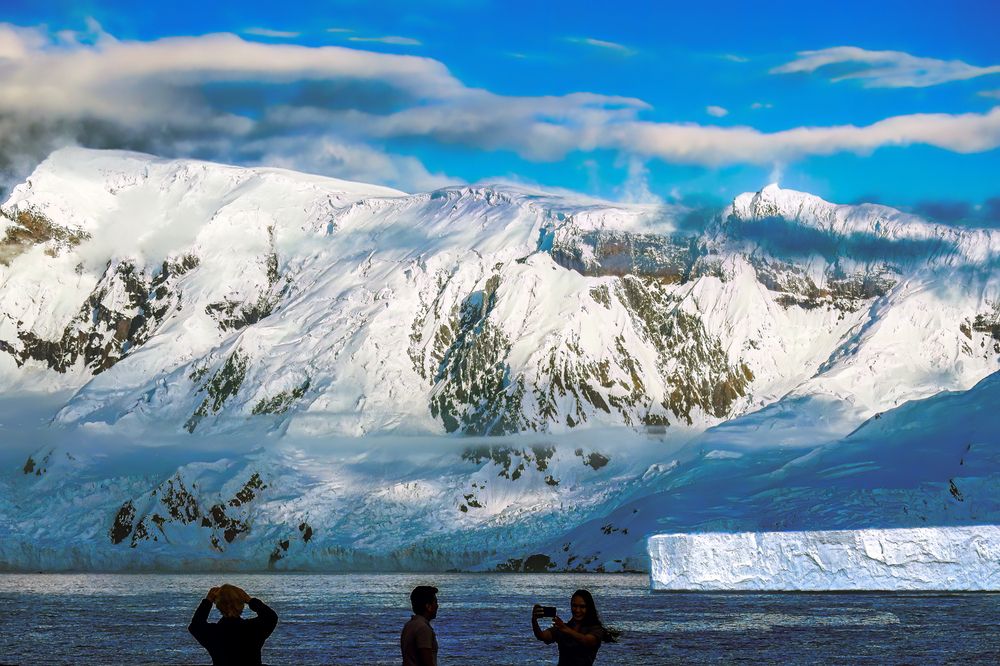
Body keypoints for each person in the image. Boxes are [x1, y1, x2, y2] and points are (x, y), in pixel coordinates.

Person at [188, 584, 278, 666]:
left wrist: (208, 600)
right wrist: (249, 600)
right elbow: (271, 617)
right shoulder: (254, 628)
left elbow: (195, 625)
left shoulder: (213, 633)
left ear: (218, 606)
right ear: (242, 605)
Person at [531, 589, 610, 666]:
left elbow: (587, 640)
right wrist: (534, 620)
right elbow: (542, 636)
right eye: (574, 606)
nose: (577, 610)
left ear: (588, 608)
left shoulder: (596, 629)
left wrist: (566, 629)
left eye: (582, 607)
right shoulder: (562, 627)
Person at [401, 584, 439, 666]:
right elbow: (427, 661)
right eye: (435, 602)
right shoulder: (423, 629)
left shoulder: (409, 625)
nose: (437, 606)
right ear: (428, 606)